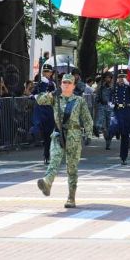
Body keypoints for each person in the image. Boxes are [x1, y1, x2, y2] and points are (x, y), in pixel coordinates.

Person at [35, 74, 93, 209]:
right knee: (54, 159)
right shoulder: (55, 98)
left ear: (73, 86)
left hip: (74, 136)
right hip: (58, 134)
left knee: (71, 169)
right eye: (63, 82)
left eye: (69, 82)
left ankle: (71, 197)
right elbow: (39, 100)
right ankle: (47, 183)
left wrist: (89, 134)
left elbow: (87, 118)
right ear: (60, 84)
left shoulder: (79, 100)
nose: (66, 84)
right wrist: (51, 94)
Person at [31, 65, 56, 164]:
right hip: (40, 108)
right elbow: (33, 93)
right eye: (44, 71)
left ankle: (47, 154)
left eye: (48, 71)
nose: (46, 73)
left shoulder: (53, 84)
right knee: (38, 126)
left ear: (51, 73)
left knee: (48, 134)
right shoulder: (41, 83)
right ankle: (34, 134)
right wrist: (35, 96)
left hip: (49, 109)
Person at [110, 70, 130, 165]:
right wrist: (110, 103)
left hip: (126, 112)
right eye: (119, 77)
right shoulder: (114, 88)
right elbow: (110, 96)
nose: (121, 79)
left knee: (124, 135)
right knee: (113, 127)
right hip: (117, 111)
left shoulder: (128, 88)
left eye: (123, 77)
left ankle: (123, 156)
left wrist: (128, 83)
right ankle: (116, 134)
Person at [96, 72, 114, 148]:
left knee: (110, 125)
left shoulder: (113, 87)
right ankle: (106, 137)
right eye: (106, 77)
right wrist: (98, 101)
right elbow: (97, 96)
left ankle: (109, 140)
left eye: (109, 77)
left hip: (110, 108)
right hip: (102, 107)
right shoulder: (100, 87)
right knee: (103, 126)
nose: (107, 79)